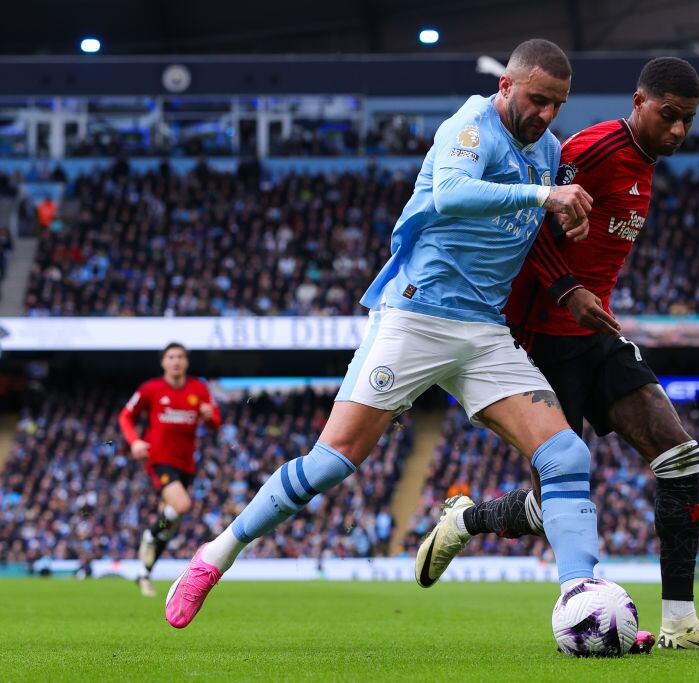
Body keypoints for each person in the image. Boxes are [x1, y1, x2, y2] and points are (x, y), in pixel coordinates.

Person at [165, 38, 601, 630]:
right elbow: (449, 193)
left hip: (483, 333)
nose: (547, 115)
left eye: (558, 104)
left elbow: (535, 225)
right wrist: (544, 195)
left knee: (567, 456)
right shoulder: (471, 124)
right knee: (332, 462)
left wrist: (567, 261)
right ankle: (214, 557)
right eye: (537, 99)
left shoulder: (547, 150)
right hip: (416, 318)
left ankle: (582, 599)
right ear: (507, 87)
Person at [415, 57, 699, 651]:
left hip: (593, 337)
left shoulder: (645, 167)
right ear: (639, 101)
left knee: (679, 456)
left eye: (688, 122)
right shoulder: (595, 148)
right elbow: (531, 223)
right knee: (553, 503)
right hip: (543, 336)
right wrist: (569, 290)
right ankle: (465, 520)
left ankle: (679, 621)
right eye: (668, 116)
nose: (677, 131)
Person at [118, 342, 221, 597]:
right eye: (171, 357)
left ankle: (144, 573)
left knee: (169, 523)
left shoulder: (199, 389)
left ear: (186, 362)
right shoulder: (151, 389)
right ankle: (149, 535)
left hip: (187, 464)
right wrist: (135, 441)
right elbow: (125, 416)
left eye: (180, 357)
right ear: (163, 362)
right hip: (160, 460)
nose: (176, 361)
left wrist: (209, 416)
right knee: (182, 506)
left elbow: (216, 423)